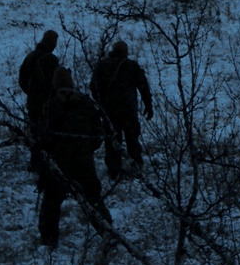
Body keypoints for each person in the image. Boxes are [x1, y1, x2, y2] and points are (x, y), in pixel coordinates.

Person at [37, 68, 111, 248]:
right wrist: (85, 149)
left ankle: (49, 240)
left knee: (51, 202)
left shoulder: (51, 105)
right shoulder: (86, 103)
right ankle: (107, 232)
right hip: (84, 160)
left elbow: (43, 137)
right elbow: (98, 135)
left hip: (59, 161)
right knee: (92, 197)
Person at [90, 40, 153, 181]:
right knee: (132, 139)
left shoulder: (102, 65)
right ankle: (136, 167)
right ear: (125, 52)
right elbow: (143, 87)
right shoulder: (131, 66)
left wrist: (101, 104)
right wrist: (149, 106)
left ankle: (113, 171)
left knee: (112, 140)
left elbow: (93, 86)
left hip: (109, 111)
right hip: (128, 111)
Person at [18, 29, 60, 171]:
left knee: (35, 132)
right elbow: (56, 83)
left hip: (33, 102)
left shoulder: (30, 57)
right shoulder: (51, 59)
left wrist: (31, 93)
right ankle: (47, 163)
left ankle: (35, 162)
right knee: (49, 133)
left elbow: (22, 79)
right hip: (47, 103)